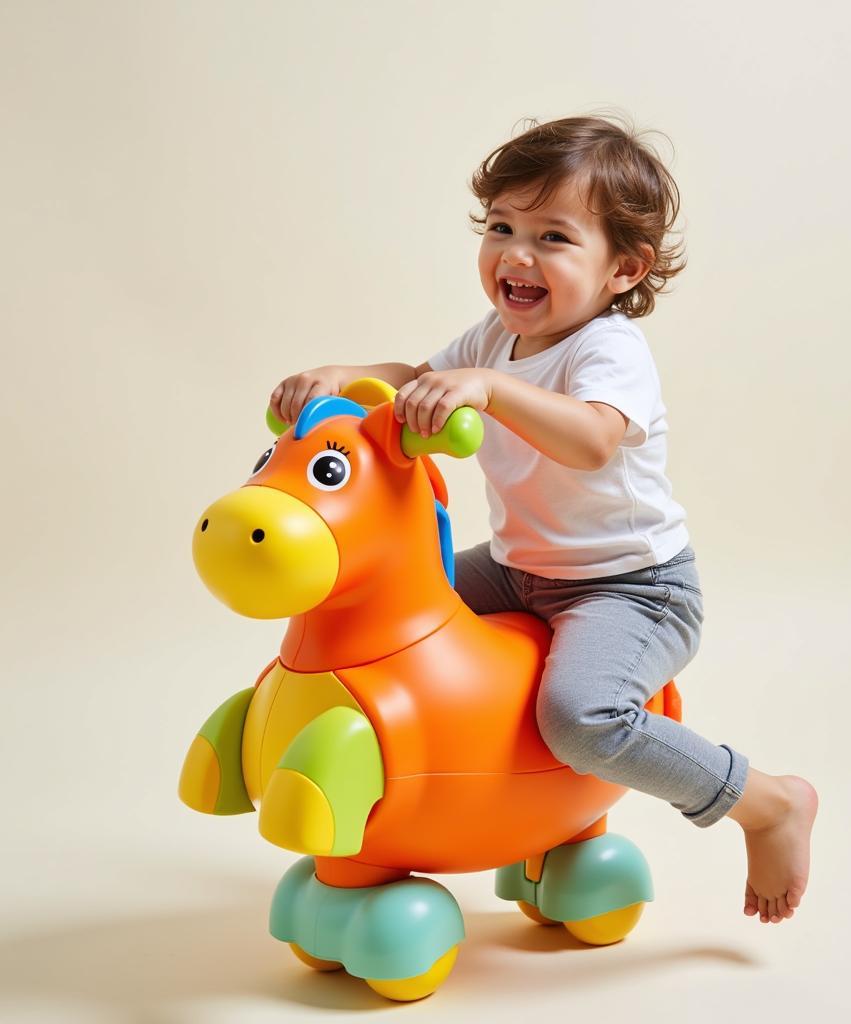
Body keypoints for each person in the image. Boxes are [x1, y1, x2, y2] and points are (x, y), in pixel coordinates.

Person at [269, 115, 818, 925]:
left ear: (621, 269)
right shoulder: (494, 336)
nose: (516, 255)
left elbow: (593, 439)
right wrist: (349, 377)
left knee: (581, 720)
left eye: (553, 236)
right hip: (522, 567)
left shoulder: (608, 348)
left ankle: (764, 802)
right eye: (502, 227)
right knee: (385, 613)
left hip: (632, 588)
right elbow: (418, 377)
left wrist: (490, 392)